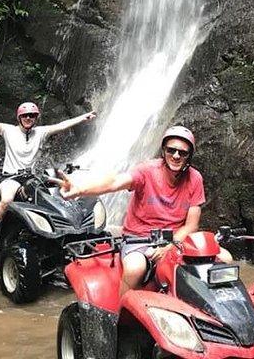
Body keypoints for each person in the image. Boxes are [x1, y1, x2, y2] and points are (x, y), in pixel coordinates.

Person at [57, 125, 222, 296]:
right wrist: (80, 189)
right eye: (171, 150)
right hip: (139, 239)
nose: (176, 156)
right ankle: (120, 314)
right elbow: (114, 182)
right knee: (136, 268)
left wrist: (170, 245)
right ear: (164, 151)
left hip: (175, 240)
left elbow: (191, 226)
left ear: (189, 156)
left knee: (224, 259)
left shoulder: (195, 179)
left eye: (183, 152)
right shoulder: (147, 171)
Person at [0, 101, 96, 248]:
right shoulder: (8, 130)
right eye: (25, 116)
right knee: (6, 201)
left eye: (32, 116)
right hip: (10, 177)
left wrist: (83, 117)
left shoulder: (41, 132)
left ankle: (62, 233)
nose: (28, 118)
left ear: (36, 118)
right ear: (19, 117)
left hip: (31, 177)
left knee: (60, 191)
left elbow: (62, 125)